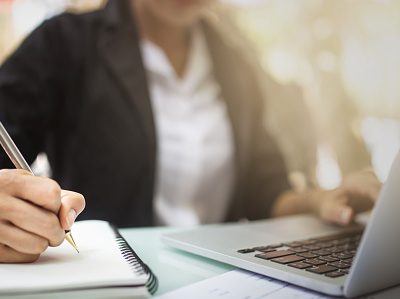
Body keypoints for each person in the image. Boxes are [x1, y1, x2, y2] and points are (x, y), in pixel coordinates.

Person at [0, 0, 380, 263]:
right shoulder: (63, 43)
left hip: (223, 279)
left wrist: (319, 203)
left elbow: (264, 191)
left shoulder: (235, 60)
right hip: (108, 279)